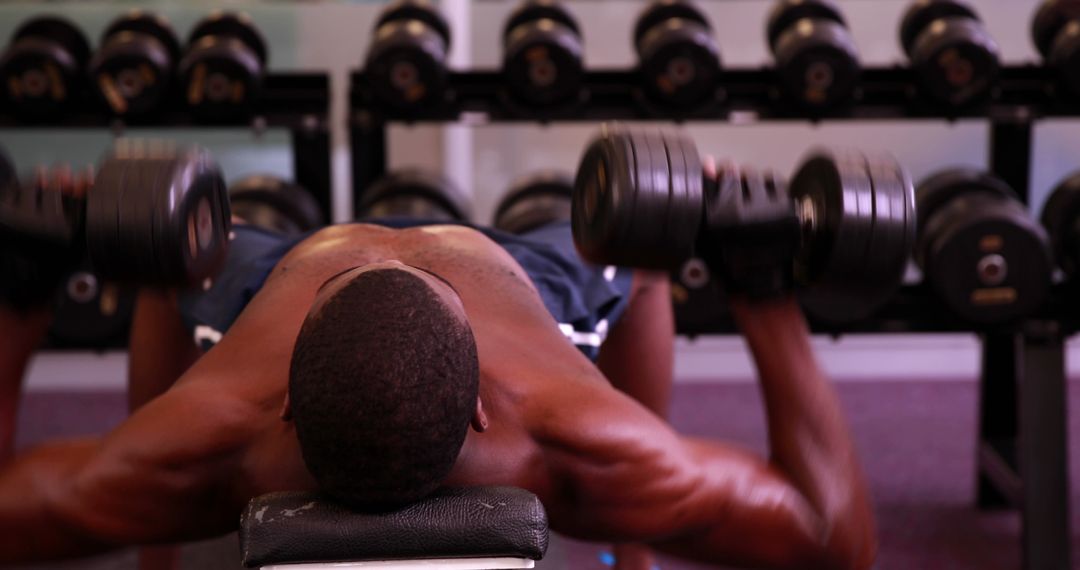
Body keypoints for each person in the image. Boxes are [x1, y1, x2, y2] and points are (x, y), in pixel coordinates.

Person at [0, 160, 876, 570]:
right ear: (485, 407)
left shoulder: (202, 438)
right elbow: (835, 537)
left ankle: (631, 555)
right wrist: (765, 293)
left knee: (177, 268)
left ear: (284, 411)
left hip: (270, 278)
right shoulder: (581, 436)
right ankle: (638, 538)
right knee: (633, 258)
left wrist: (20, 298)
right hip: (510, 282)